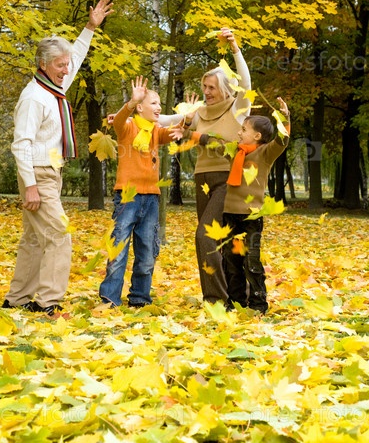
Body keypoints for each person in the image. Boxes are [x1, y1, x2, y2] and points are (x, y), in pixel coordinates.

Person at [2, 0, 114, 316]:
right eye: (60, 66)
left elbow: (76, 57)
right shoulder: (34, 97)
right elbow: (21, 144)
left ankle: (17, 298)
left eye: (66, 65)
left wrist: (90, 27)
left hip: (51, 172)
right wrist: (30, 186)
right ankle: (48, 302)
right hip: (37, 174)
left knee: (34, 240)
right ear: (43, 64)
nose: (67, 70)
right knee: (59, 235)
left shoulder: (55, 87)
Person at [160, 28, 251, 304]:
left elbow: (246, 81)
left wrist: (235, 48)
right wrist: (131, 113)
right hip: (203, 180)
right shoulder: (199, 112)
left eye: (211, 87)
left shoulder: (238, 108)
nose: (206, 92)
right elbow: (164, 120)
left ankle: (216, 300)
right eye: (204, 87)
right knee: (220, 241)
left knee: (205, 235)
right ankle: (238, 297)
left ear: (224, 88)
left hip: (228, 180)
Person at [99, 76, 201, 308]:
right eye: (154, 103)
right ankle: (110, 298)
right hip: (128, 197)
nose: (159, 108)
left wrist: (187, 119)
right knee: (119, 248)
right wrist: (132, 101)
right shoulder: (128, 127)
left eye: (159, 104)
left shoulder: (155, 131)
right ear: (140, 107)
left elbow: (175, 132)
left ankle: (140, 298)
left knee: (147, 251)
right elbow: (119, 120)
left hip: (151, 199)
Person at [222, 98, 290, 314]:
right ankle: (236, 303)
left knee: (251, 261)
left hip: (251, 218)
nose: (239, 132)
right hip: (230, 215)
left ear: (257, 136)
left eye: (244, 129)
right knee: (232, 262)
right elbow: (212, 142)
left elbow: (282, 140)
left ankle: (258, 304)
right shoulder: (235, 152)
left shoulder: (265, 154)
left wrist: (284, 118)